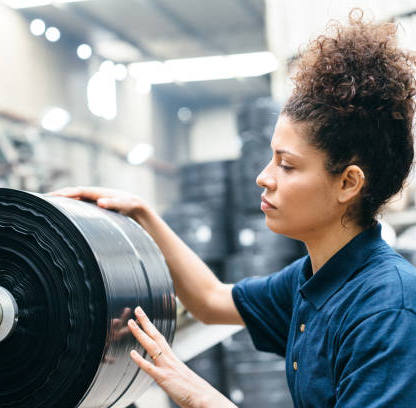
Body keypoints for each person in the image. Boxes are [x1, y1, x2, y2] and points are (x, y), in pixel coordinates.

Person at [52, 9, 416, 408]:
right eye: (270, 158)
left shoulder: (387, 309)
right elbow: (211, 300)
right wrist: (142, 215)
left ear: (348, 183)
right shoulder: (316, 280)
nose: (263, 177)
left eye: (287, 165)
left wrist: (199, 396)